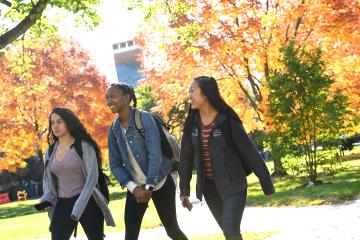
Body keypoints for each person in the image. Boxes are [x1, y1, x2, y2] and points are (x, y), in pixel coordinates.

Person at [179, 76, 275, 240]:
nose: (189, 94)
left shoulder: (226, 120)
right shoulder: (192, 123)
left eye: (192, 90)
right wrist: (184, 190)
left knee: (231, 230)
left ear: (206, 94)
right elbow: (186, 158)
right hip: (209, 188)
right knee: (228, 232)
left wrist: (267, 184)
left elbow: (249, 151)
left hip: (233, 185)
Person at [106, 82, 188, 240]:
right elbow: (115, 164)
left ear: (127, 98)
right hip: (136, 186)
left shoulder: (144, 118)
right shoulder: (114, 129)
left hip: (161, 181)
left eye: (113, 96)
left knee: (172, 230)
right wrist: (134, 188)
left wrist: (149, 187)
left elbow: (154, 155)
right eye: (107, 97)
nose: (109, 101)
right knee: (130, 235)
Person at [41, 108, 115, 240]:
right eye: (52, 123)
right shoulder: (50, 151)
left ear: (68, 123)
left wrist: (79, 205)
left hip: (88, 201)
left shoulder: (84, 146)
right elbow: (47, 179)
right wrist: (46, 197)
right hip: (62, 204)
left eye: (60, 121)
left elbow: (92, 178)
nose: (55, 126)